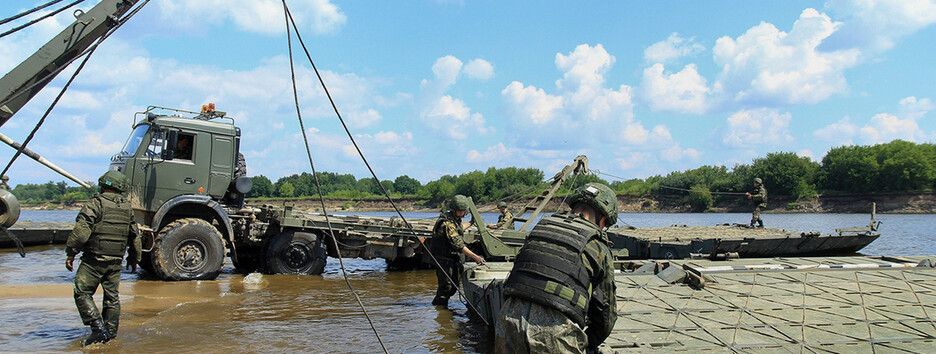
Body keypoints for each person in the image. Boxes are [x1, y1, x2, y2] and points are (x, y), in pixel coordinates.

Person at [495, 182, 618, 353]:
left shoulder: (542, 228)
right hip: (555, 332)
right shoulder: (597, 246)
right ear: (603, 220)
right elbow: (605, 315)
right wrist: (588, 343)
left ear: (573, 210)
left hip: (507, 321)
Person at [65, 170, 140, 346]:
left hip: (94, 259)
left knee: (82, 291)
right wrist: (133, 259)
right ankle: (111, 334)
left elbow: (81, 233)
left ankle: (98, 328)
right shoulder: (127, 208)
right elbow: (134, 236)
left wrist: (71, 253)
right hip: (115, 261)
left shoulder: (95, 204)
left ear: (104, 184)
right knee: (112, 297)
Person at [429, 194, 485, 307]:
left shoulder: (454, 219)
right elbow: (458, 244)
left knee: (453, 287)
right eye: (460, 211)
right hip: (444, 258)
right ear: (453, 210)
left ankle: (442, 311)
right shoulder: (447, 223)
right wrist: (475, 257)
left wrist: (471, 223)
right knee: (446, 288)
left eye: (464, 211)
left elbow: (458, 229)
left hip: (451, 258)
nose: (463, 213)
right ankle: (440, 310)